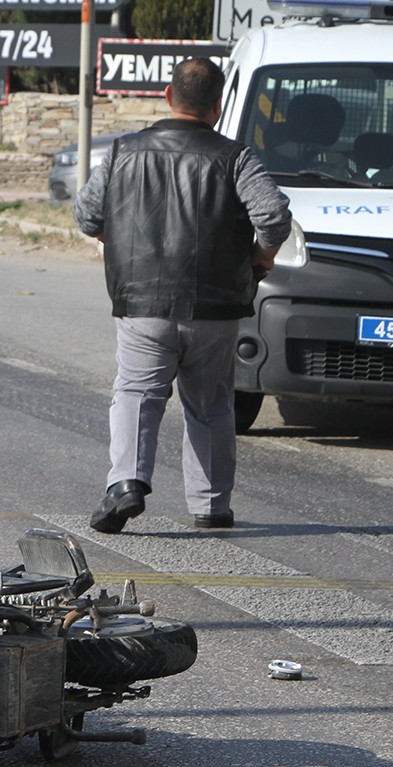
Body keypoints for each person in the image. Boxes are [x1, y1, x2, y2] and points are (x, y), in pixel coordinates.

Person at [73, 57, 293, 534]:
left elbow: (88, 216)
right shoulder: (236, 158)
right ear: (218, 106)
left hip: (142, 303)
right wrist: (262, 257)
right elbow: (274, 216)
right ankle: (211, 505)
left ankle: (126, 483)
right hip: (215, 306)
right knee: (211, 403)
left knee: (137, 393)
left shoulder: (122, 151)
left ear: (169, 96)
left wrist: (122, 241)